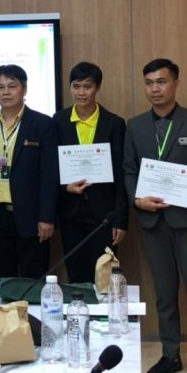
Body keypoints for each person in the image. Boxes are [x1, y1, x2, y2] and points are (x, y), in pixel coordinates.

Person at [124, 59, 187, 373]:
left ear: (176, 84)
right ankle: (170, 354)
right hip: (153, 222)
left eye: (161, 82)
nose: (155, 89)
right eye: (149, 83)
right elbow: (129, 170)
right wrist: (137, 199)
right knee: (164, 293)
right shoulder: (135, 126)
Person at [0, 64, 59, 280]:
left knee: (33, 282)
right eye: (0, 87)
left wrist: (47, 217)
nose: (6, 92)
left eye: (12, 86)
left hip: (31, 218)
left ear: (24, 89)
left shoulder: (43, 124)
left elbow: (49, 175)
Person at [52, 62, 127, 284]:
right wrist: (64, 188)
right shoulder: (58, 121)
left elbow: (121, 173)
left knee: (104, 275)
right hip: (70, 211)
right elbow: (51, 166)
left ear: (98, 87)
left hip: (104, 213)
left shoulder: (114, 123)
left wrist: (121, 219)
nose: (81, 92)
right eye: (76, 86)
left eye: (87, 86)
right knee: (75, 274)